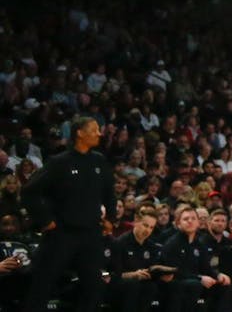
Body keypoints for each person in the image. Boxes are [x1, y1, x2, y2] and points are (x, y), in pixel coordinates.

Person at [20, 115, 113, 312]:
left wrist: (110, 218)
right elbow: (29, 191)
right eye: (94, 129)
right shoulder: (59, 162)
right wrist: (45, 220)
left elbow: (109, 193)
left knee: (94, 286)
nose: (99, 133)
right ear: (79, 133)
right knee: (43, 283)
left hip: (91, 234)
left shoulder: (99, 161)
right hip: (62, 233)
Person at [159, 204, 231, 312]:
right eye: (186, 219)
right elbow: (174, 271)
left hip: (195, 280)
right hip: (176, 282)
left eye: (193, 218)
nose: (190, 221)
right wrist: (200, 278)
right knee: (194, 285)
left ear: (198, 223)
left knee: (224, 286)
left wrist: (218, 275)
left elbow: (206, 268)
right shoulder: (172, 244)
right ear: (178, 224)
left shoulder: (199, 244)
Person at [107, 204, 165, 312]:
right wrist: (133, 275)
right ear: (136, 221)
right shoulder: (120, 243)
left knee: (151, 287)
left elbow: (153, 269)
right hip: (121, 284)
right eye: (145, 225)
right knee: (133, 284)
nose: (148, 230)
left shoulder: (152, 246)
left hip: (141, 284)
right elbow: (113, 274)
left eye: (151, 227)